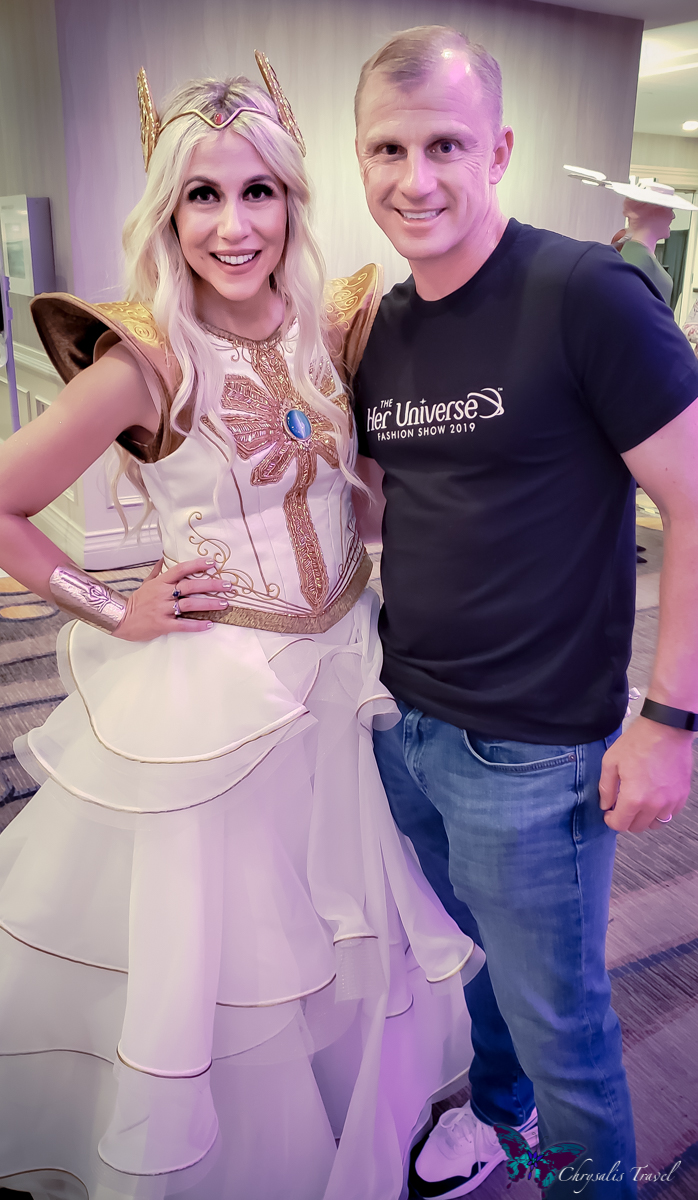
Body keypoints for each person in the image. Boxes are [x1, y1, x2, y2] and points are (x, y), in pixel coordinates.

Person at [0, 59, 484, 1200]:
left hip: (348, 675)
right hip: (216, 706)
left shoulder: (339, 326)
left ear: (291, 199)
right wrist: (116, 608)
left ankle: (358, 1137)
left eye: (257, 190)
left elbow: (365, 487)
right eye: (202, 196)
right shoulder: (145, 362)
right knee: (230, 957)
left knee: (353, 933)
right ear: (168, 213)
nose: (234, 226)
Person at [350, 25, 698, 1200]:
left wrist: (669, 720)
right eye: (386, 149)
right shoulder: (382, 327)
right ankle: (496, 1113)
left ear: (496, 150)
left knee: (563, 1025)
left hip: (534, 750)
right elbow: (398, 507)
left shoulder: (582, 294)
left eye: (443, 145)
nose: (414, 179)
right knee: (473, 961)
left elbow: (691, 502)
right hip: (404, 725)